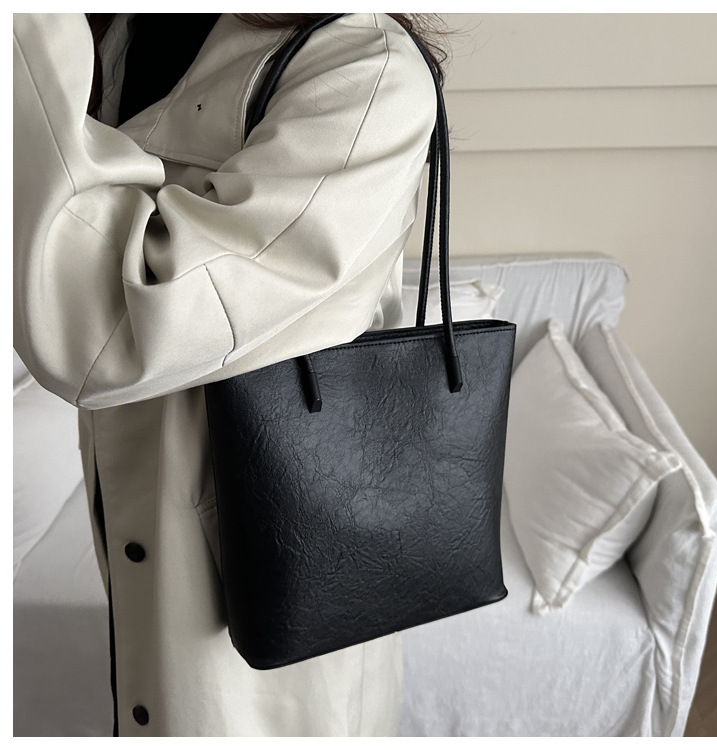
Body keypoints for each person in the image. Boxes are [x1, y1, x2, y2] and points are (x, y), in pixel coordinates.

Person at [13, 11, 447, 737]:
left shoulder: (365, 70)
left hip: (282, 665)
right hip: (142, 590)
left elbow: (101, 326)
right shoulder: (126, 32)